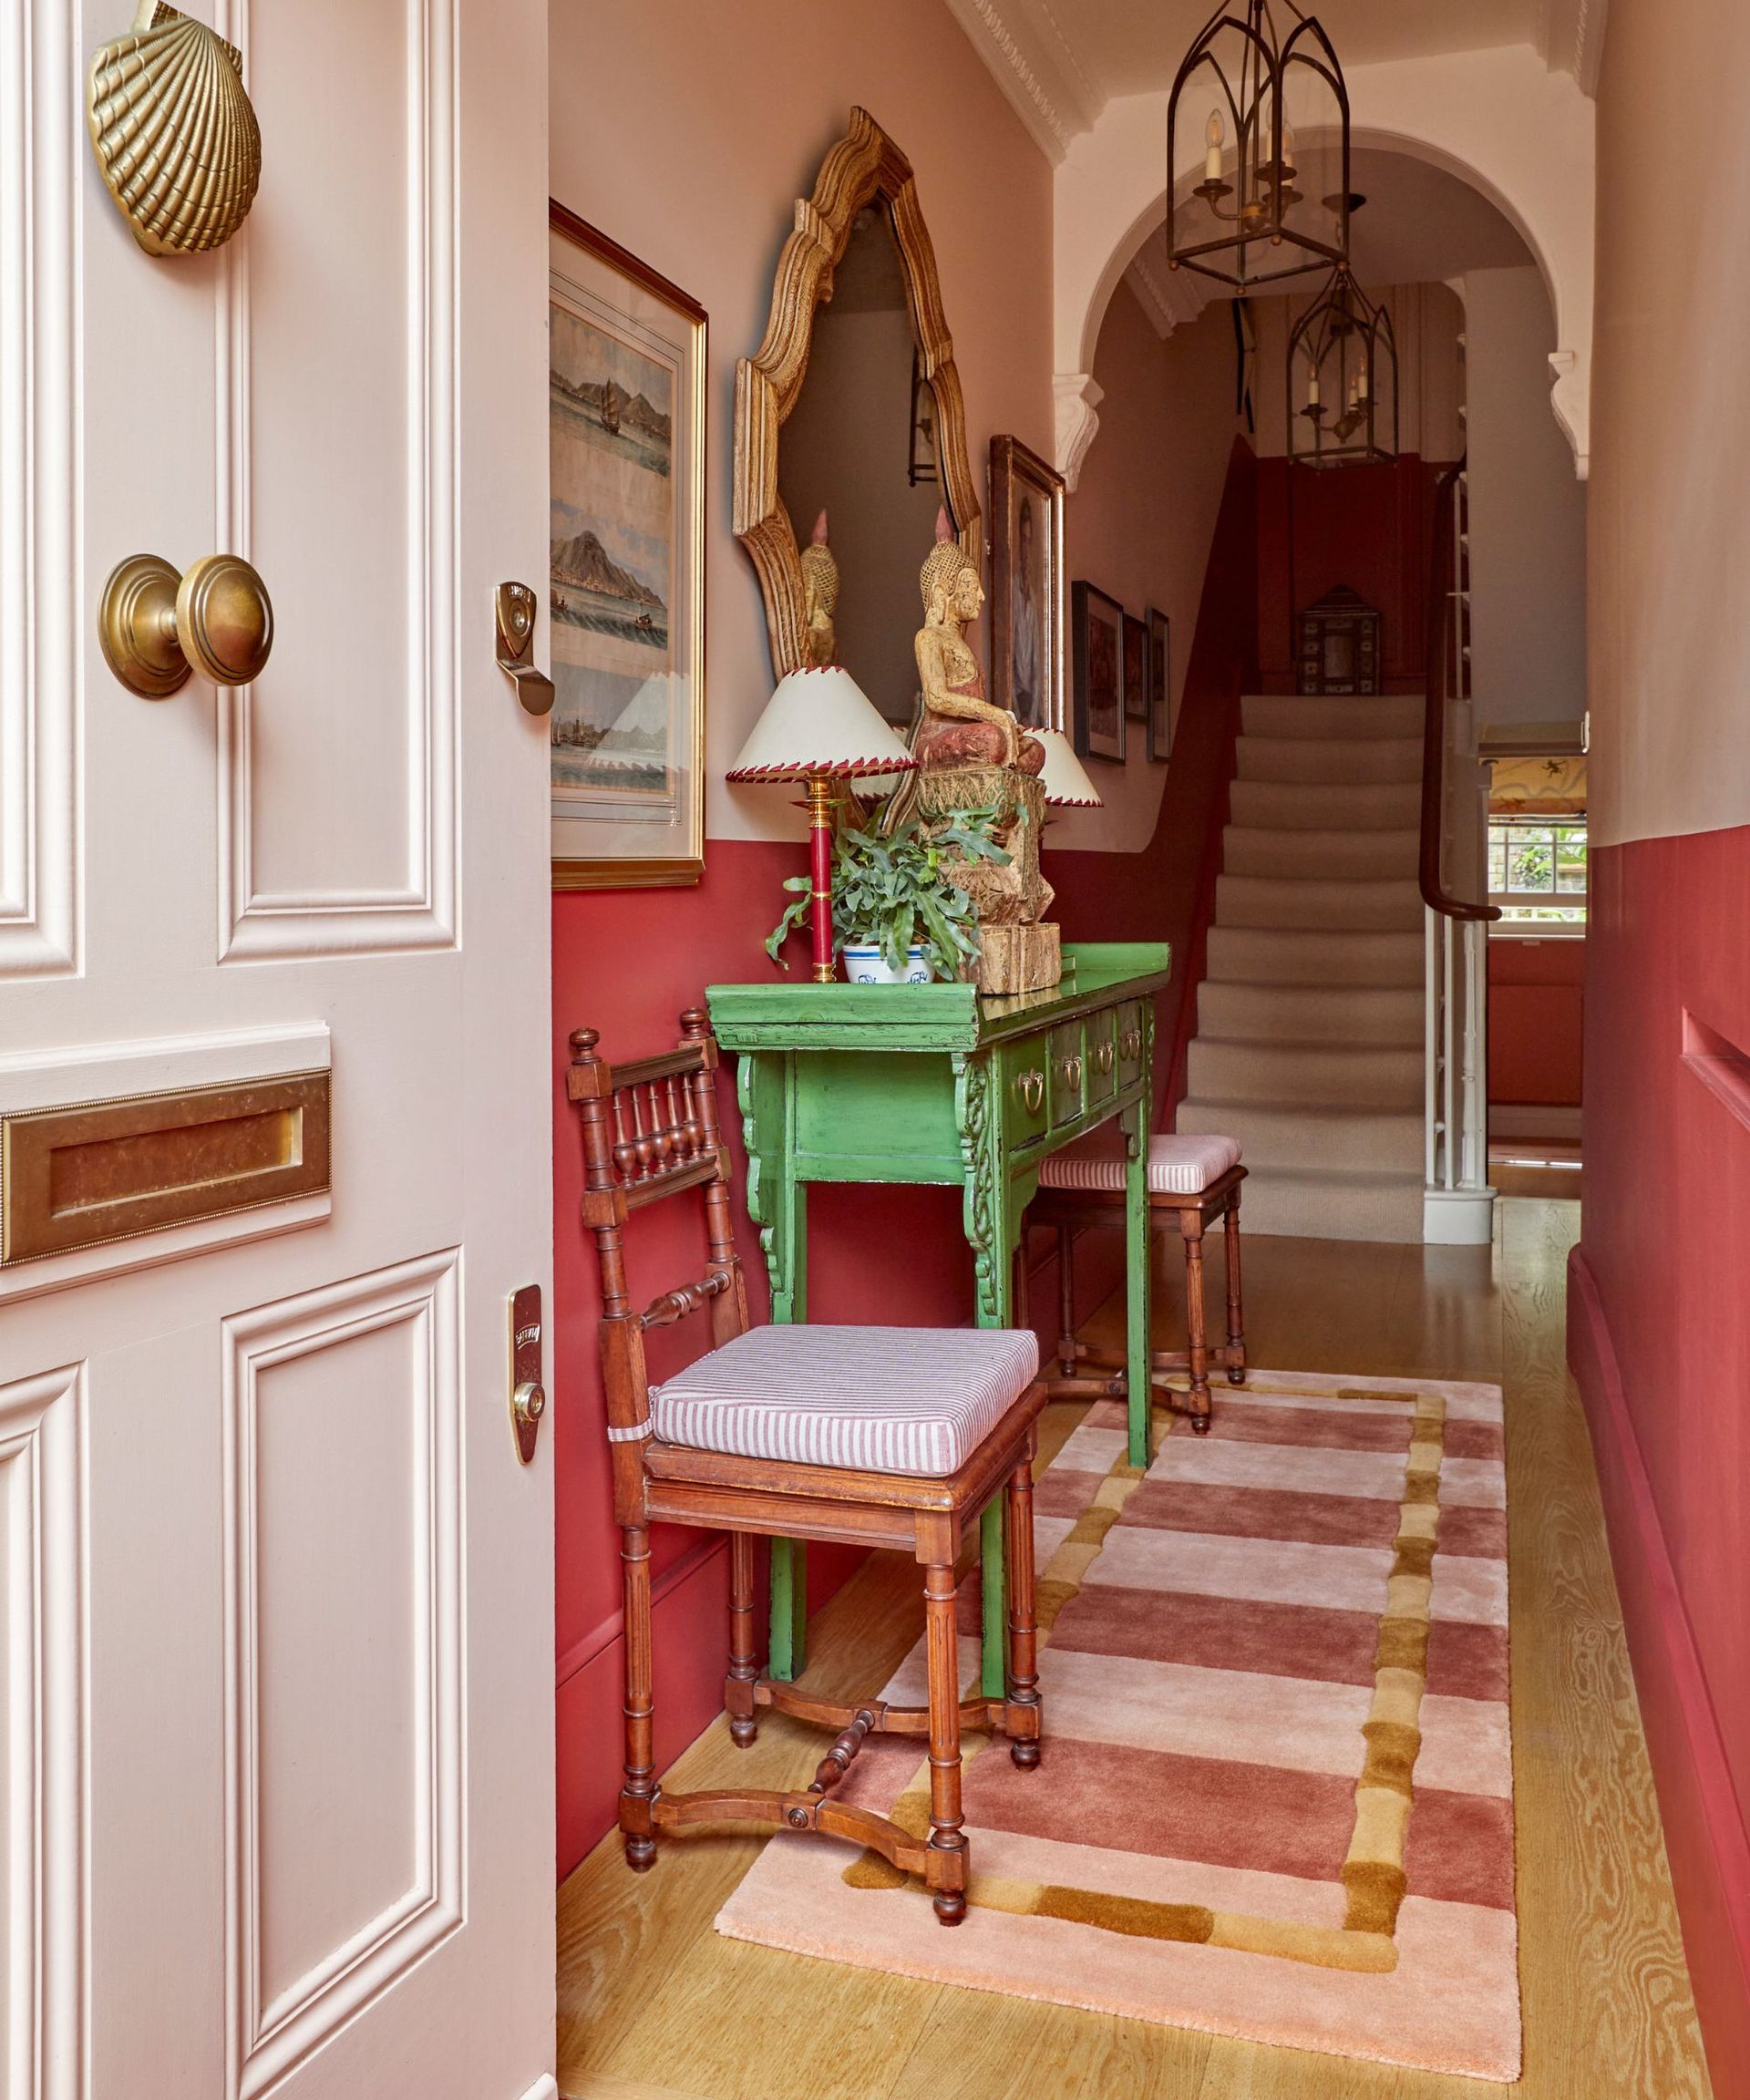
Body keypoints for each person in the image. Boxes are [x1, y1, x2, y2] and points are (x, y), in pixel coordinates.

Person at [911, 509, 1045, 776]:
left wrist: (1004, 724)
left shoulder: (961, 644)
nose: (981, 596)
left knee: (1036, 750)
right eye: (972, 586)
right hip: (938, 736)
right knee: (993, 739)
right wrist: (995, 715)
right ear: (942, 592)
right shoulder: (928, 637)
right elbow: (936, 698)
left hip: (970, 731)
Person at [1011, 494, 1041, 723]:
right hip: (1015, 700)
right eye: (1023, 539)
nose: (1026, 548)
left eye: (1029, 541)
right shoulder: (1011, 591)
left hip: (1030, 702)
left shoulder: (1034, 595)